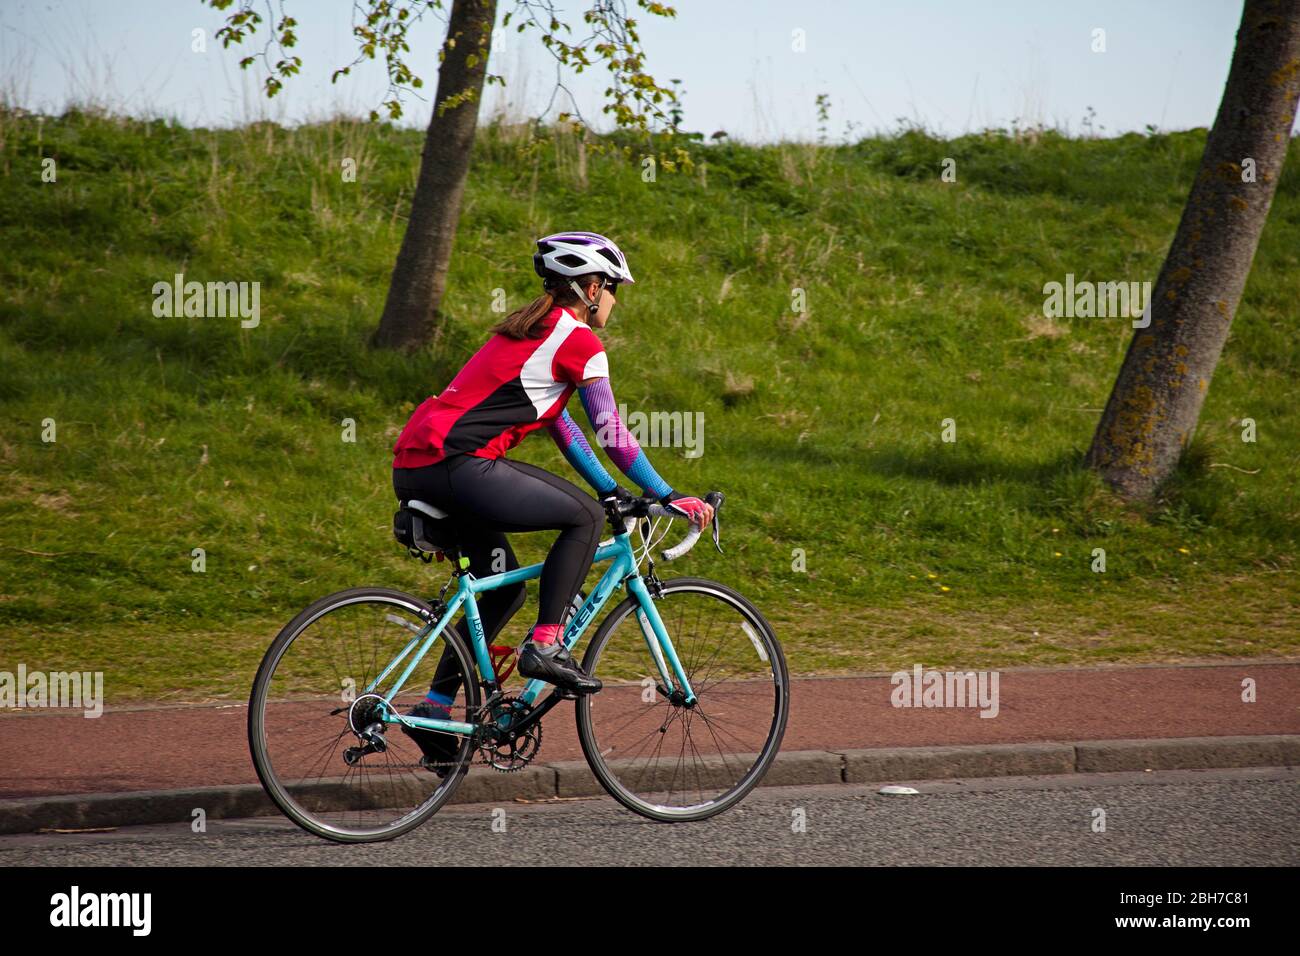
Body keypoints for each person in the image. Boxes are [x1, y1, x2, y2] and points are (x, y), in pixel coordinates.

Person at [390, 231, 713, 773]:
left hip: (419, 466)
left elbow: (563, 426)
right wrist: (668, 494)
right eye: (612, 289)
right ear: (590, 288)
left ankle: (437, 710)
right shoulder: (578, 340)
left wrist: (611, 489)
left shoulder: (533, 331)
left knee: (499, 593)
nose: (614, 301)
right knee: (583, 517)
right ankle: (547, 644)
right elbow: (610, 431)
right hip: (459, 465)